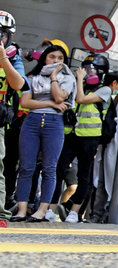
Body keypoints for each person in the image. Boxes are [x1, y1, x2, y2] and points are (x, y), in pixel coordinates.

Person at [12, 42, 74, 222]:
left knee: (49, 168)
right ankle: (21, 210)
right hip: (31, 122)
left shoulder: (67, 78)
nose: (56, 60)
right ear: (45, 58)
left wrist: (54, 76)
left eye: (60, 58)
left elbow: (60, 96)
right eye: (52, 57)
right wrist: (50, 104)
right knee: (26, 167)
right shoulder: (33, 77)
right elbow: (25, 102)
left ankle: (41, 210)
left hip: (54, 124)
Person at [63, 61, 118, 223]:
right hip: (73, 134)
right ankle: (52, 208)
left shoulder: (103, 90)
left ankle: (74, 211)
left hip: (90, 138)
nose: (87, 72)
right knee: (58, 168)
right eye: (85, 69)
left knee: (84, 175)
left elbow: (81, 99)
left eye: (91, 70)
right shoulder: (83, 85)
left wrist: (79, 79)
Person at [0, 11, 26, 218]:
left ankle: (0, 213)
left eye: (2, 34)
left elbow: (18, 84)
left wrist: (3, 58)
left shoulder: (13, 58)